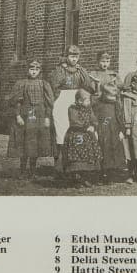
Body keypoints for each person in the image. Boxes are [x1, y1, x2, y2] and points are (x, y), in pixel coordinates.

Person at [49, 45, 96, 176]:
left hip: (77, 100)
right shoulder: (60, 70)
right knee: (62, 131)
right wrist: (59, 96)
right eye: (71, 56)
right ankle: (59, 164)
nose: (74, 59)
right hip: (62, 101)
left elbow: (87, 84)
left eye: (76, 57)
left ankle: (77, 164)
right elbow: (54, 85)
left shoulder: (81, 70)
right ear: (66, 56)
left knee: (77, 130)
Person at [6, 59, 54, 179]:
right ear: (27, 70)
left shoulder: (44, 84)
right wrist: (18, 115)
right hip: (26, 116)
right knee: (24, 142)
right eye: (31, 69)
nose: (34, 72)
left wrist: (47, 117)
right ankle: (22, 170)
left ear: (40, 71)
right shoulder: (22, 83)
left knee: (35, 143)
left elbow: (49, 103)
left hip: (39, 116)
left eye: (36, 70)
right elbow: (17, 101)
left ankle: (32, 171)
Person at [92, 77, 127, 183]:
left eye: (114, 96)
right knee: (104, 150)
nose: (113, 98)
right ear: (104, 94)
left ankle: (113, 172)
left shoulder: (116, 104)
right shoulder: (98, 104)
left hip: (114, 130)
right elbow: (94, 117)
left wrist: (122, 131)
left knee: (115, 151)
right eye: (110, 96)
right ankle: (103, 173)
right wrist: (95, 129)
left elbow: (119, 117)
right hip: (103, 131)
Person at [63, 89, 101, 187]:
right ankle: (77, 180)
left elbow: (94, 119)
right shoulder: (72, 109)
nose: (89, 102)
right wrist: (85, 127)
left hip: (87, 135)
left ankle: (85, 178)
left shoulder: (89, 109)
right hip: (77, 134)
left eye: (89, 100)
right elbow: (74, 121)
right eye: (87, 100)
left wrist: (93, 125)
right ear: (79, 101)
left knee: (87, 156)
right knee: (77, 157)